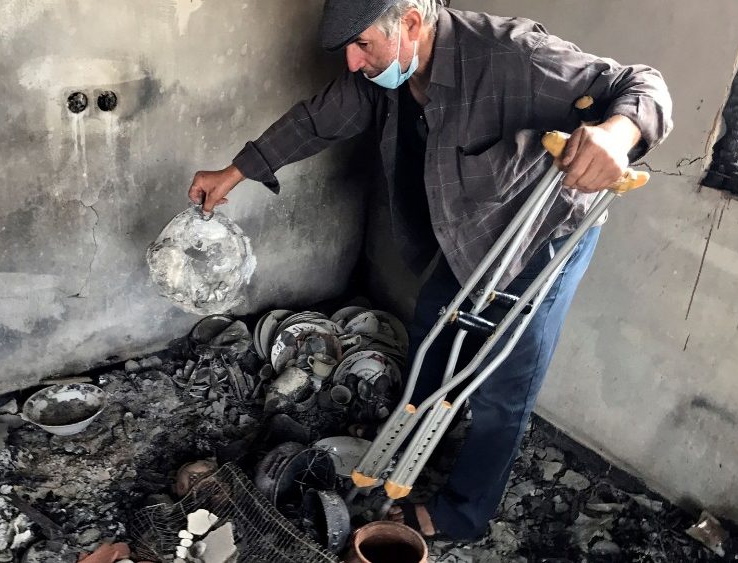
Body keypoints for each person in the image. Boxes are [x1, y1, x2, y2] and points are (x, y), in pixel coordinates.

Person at [187, 0, 673, 541]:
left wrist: (616, 134)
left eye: (362, 45)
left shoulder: (514, 56)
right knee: (429, 341)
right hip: (470, 235)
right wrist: (235, 172)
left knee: (500, 388)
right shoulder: (388, 72)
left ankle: (462, 513)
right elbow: (317, 119)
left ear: (412, 23)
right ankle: (411, 448)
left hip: (538, 238)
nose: (351, 62)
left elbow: (642, 84)